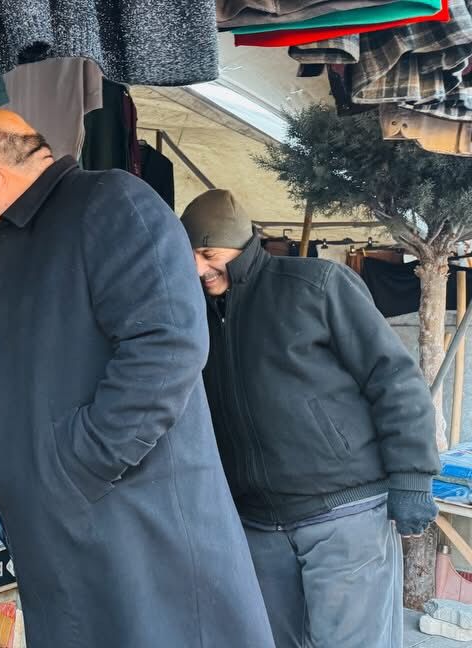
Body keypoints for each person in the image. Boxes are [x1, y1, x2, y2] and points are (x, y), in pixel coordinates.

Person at [0, 110, 274, 646]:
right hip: (62, 519)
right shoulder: (14, 243)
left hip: (128, 516)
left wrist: (75, 465)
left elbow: (168, 346)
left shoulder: (111, 201)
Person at [179, 189, 441, 648]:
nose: (200, 269)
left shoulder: (316, 285)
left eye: (209, 254)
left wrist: (413, 476)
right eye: (191, 258)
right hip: (259, 524)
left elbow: (394, 378)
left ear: (241, 245)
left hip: (343, 512)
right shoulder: (193, 316)